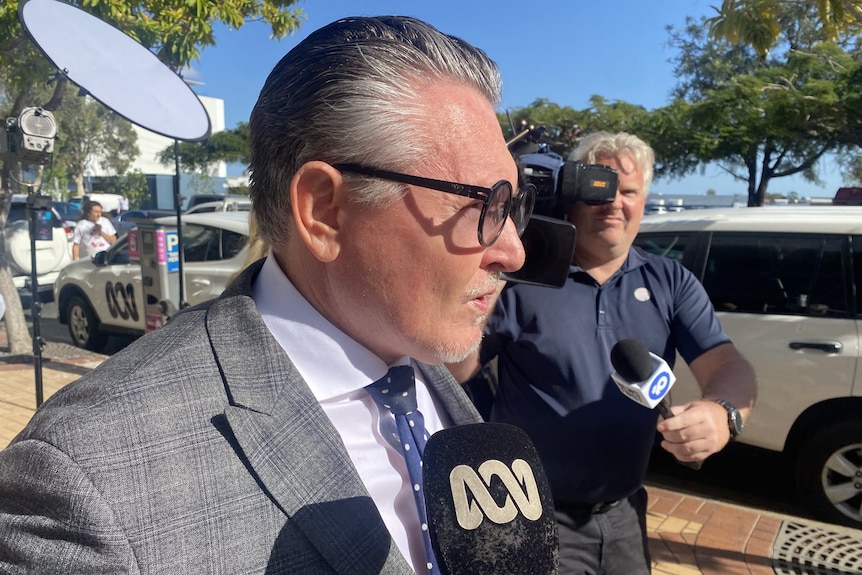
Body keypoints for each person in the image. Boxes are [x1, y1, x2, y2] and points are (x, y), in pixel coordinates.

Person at [0, 16, 533, 574]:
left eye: (513, 207)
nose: (513, 252)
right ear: (324, 210)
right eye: (482, 205)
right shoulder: (90, 477)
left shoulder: (428, 373)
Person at [448, 131, 757, 575]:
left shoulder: (671, 280)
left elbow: (727, 364)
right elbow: (458, 370)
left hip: (626, 513)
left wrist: (722, 413)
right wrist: (491, 278)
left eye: (627, 191)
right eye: (599, 189)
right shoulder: (522, 282)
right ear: (570, 198)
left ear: (645, 199)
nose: (613, 203)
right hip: (531, 510)